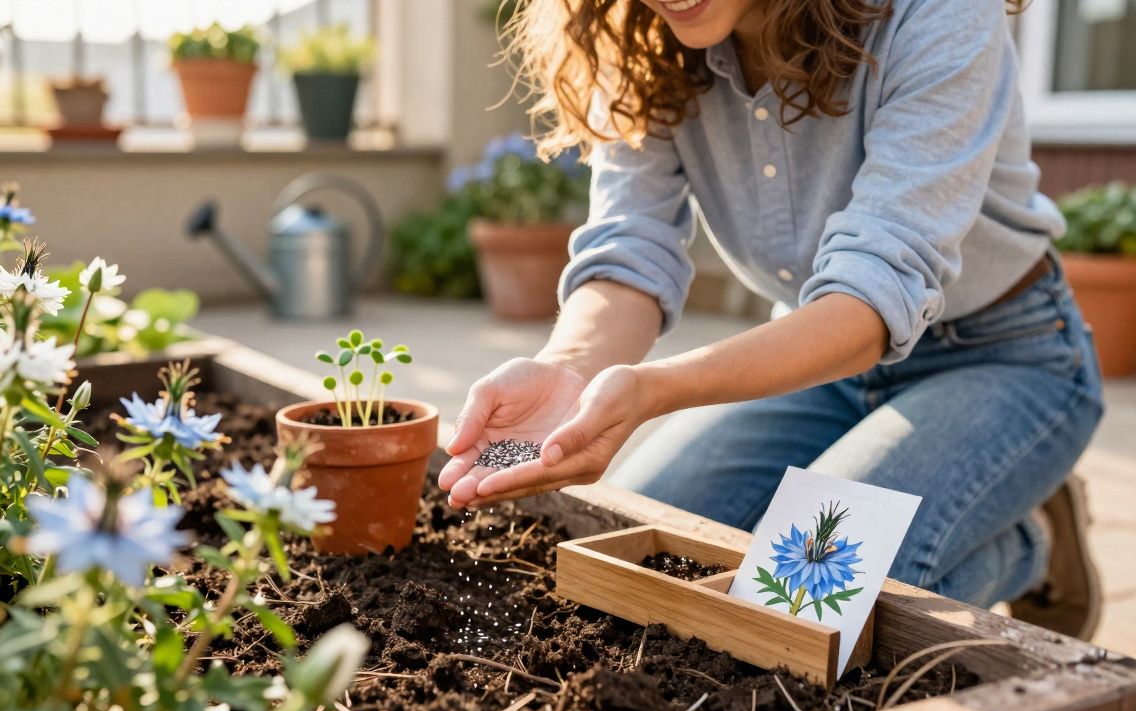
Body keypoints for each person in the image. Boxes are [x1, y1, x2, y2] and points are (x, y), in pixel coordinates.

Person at [439, 0, 1105, 637]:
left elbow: (873, 296)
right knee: (628, 562)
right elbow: (630, 251)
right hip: (815, 363)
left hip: (1002, 355)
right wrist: (568, 371)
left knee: (804, 595)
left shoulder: (934, 9)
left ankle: (1025, 543)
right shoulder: (638, 37)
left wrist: (655, 389)